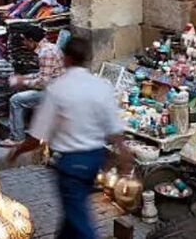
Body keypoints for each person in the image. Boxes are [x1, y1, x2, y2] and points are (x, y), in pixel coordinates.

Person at [8, 36, 130, 239]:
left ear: (66, 59)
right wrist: (125, 155)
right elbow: (114, 129)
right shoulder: (100, 86)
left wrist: (17, 150)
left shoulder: (58, 89)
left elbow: (38, 136)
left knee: (79, 220)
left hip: (72, 162)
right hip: (94, 159)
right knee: (73, 212)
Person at [0, 25, 64, 148]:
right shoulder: (49, 48)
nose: (24, 43)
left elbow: (43, 82)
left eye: (24, 40)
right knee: (22, 92)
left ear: (31, 40)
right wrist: (25, 78)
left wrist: (23, 82)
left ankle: (17, 137)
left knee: (16, 100)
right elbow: (43, 74)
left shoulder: (46, 53)